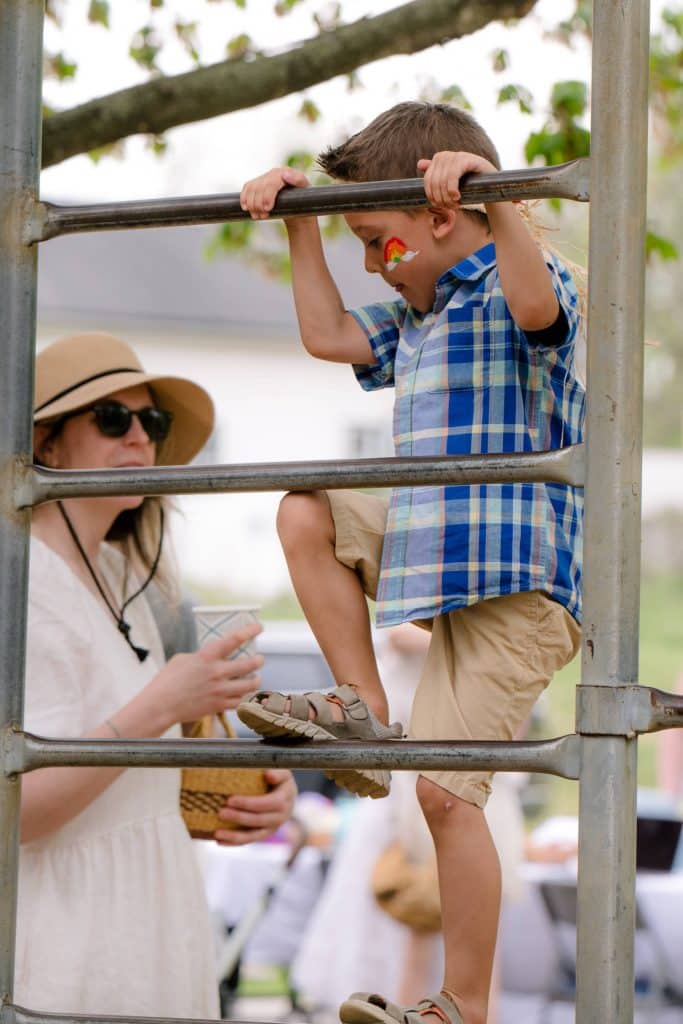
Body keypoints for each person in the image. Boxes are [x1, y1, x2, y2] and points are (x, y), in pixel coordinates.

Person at [237, 101, 584, 1024]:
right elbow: (327, 336)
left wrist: (497, 199)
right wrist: (303, 232)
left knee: (443, 795)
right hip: (441, 551)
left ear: (440, 214)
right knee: (307, 508)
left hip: (519, 584)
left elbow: (537, 310)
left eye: (373, 240)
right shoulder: (417, 314)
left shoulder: (524, 280)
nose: (368, 260)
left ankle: (463, 1004)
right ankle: (363, 704)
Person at [18, 332, 297, 1018]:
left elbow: (121, 789)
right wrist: (160, 706)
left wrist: (242, 796)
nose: (140, 437)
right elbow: (20, 811)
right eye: (113, 418)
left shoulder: (126, 584)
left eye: (153, 421)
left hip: (147, 917)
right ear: (48, 444)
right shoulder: (21, 580)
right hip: (66, 937)